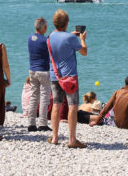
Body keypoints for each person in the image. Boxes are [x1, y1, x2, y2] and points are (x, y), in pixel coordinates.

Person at [47, 9, 88, 148]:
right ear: (66, 23)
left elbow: (60, 41)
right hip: (69, 77)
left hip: (55, 75)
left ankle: (54, 137)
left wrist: (70, 35)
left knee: (56, 105)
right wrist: (82, 40)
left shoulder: (50, 36)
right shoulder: (71, 39)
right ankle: (72, 140)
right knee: (72, 107)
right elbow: (84, 52)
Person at [27, 17, 51, 132]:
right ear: (44, 27)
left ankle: (31, 123)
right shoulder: (45, 40)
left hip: (32, 70)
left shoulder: (30, 38)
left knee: (33, 97)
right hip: (43, 70)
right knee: (44, 98)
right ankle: (42, 123)